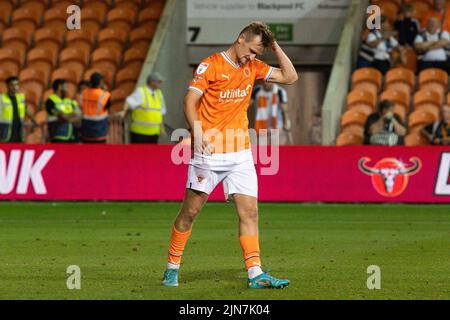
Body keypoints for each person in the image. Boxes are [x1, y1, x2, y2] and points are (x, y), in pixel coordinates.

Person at [162, 21, 298, 289]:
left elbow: (290, 77)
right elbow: (189, 100)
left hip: (240, 153)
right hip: (209, 153)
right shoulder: (211, 65)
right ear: (240, 39)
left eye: (259, 53)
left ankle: (255, 273)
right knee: (190, 212)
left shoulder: (254, 67)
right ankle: (172, 266)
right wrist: (197, 132)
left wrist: (275, 46)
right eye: (251, 50)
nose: (253, 57)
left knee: (250, 212)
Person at [123, 72, 167, 144]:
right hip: (139, 133)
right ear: (152, 82)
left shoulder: (159, 93)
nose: (161, 83)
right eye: (159, 81)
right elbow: (129, 102)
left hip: (154, 133)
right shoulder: (141, 91)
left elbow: (160, 112)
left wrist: (162, 127)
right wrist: (123, 112)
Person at [0, 76, 37, 143]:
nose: (14, 87)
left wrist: (34, 121)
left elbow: (26, 110)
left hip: (19, 132)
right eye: (12, 85)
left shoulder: (21, 98)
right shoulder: (1, 98)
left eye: (16, 85)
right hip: (5, 131)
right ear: (7, 86)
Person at [79, 72, 111, 143]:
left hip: (86, 127)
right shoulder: (105, 94)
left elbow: (81, 106)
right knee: (99, 151)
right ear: (100, 82)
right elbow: (107, 106)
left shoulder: (83, 93)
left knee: (86, 151)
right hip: (100, 128)